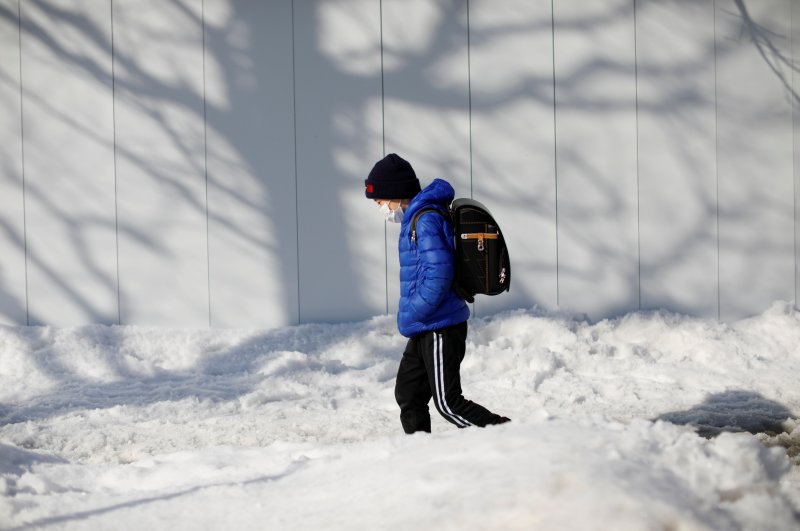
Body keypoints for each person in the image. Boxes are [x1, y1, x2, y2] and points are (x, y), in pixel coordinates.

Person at [365, 153, 510, 433]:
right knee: (409, 394)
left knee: (448, 403)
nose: (382, 208)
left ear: (396, 194)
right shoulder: (416, 218)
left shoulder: (426, 219)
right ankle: (419, 453)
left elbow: (440, 272)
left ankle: (510, 436)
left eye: (381, 202)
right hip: (425, 324)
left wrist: (417, 310)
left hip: (440, 325)